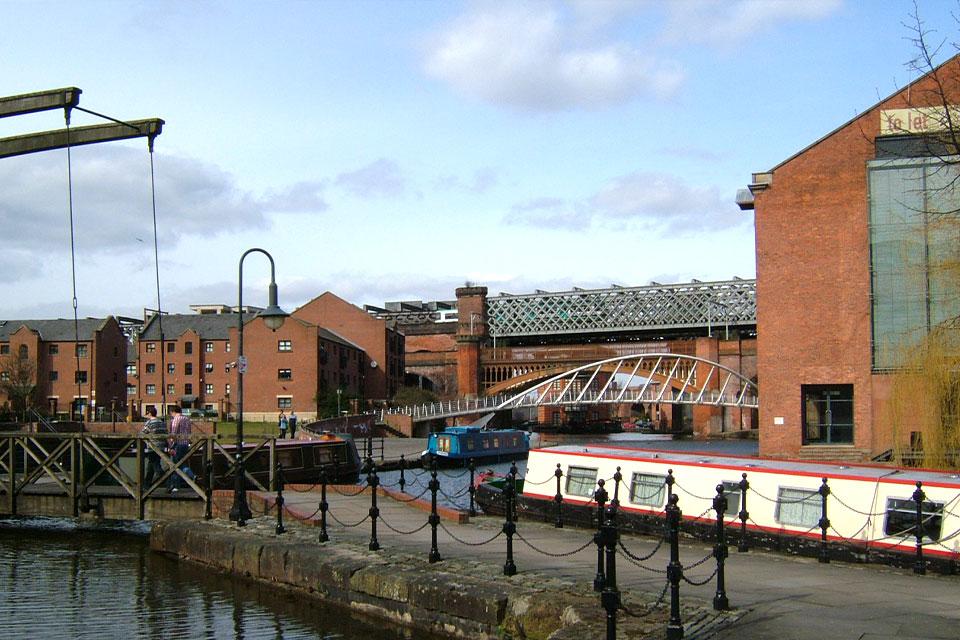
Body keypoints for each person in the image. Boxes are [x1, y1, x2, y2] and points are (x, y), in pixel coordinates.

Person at [167, 405, 193, 491]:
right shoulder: (187, 419)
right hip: (185, 444)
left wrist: (170, 446)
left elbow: (173, 433)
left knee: (176, 465)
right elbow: (189, 432)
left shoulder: (176, 419)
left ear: (172, 412)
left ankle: (176, 485)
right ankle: (191, 476)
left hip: (178, 445)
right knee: (182, 463)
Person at [141, 406, 166, 487]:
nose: (147, 415)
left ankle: (165, 477)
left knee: (155, 465)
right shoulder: (162, 422)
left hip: (153, 447)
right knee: (151, 466)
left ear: (150, 413)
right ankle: (146, 485)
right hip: (162, 446)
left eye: (147, 413)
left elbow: (142, 434)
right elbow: (166, 433)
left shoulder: (149, 423)